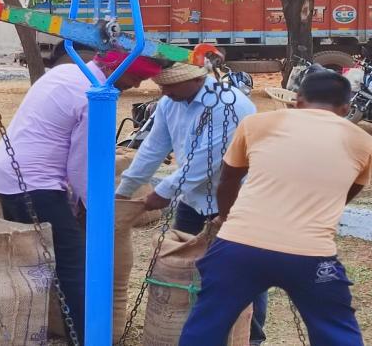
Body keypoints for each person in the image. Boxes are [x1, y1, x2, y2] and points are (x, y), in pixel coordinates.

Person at [180, 71, 372, 346]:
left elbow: (228, 180)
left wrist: (226, 218)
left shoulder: (257, 124)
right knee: (336, 329)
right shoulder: (365, 144)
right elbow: (344, 194)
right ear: (346, 109)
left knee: (206, 324)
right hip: (311, 255)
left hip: (239, 247)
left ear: (297, 100)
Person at [0, 50, 162, 342]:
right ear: (116, 66)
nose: (137, 85)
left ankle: (33, 331)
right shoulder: (93, 97)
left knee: (38, 262)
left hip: (7, 174)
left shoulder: (65, 72)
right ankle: (86, 338)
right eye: (137, 76)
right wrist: (97, 211)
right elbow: (81, 166)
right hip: (35, 182)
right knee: (76, 268)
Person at [114, 62, 267, 345]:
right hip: (193, 201)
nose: (164, 91)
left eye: (170, 85)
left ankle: (250, 338)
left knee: (243, 271)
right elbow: (153, 148)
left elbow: (205, 163)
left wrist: (163, 192)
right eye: (161, 85)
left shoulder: (230, 105)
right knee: (184, 267)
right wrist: (125, 191)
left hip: (236, 201)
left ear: (197, 80)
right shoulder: (169, 103)